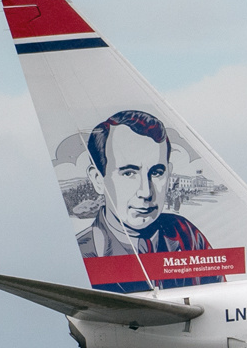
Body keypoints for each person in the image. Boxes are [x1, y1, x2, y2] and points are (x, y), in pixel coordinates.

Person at [76, 109, 225, 292]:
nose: (146, 192)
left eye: (156, 173)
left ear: (168, 173)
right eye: (129, 173)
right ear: (98, 180)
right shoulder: (84, 254)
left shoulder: (186, 235)